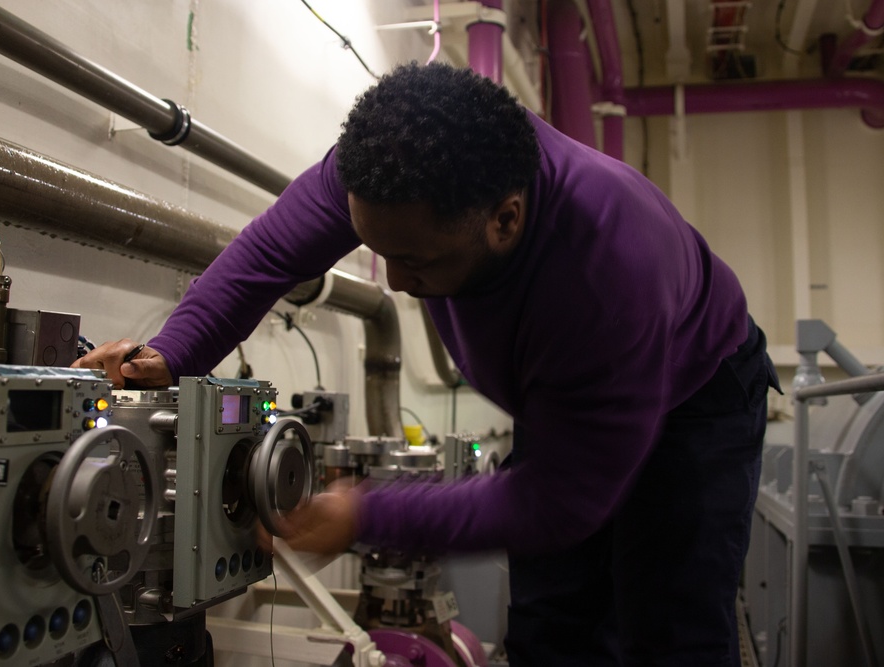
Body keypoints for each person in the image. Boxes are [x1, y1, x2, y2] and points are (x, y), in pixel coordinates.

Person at [76, 62, 779, 666]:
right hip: (565, 396)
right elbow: (265, 259)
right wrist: (170, 355)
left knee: (668, 627)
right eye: (379, 251)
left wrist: (366, 513)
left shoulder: (608, 267)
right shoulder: (386, 167)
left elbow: (561, 500)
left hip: (700, 399)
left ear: (504, 220)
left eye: (415, 260)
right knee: (552, 622)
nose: (397, 282)